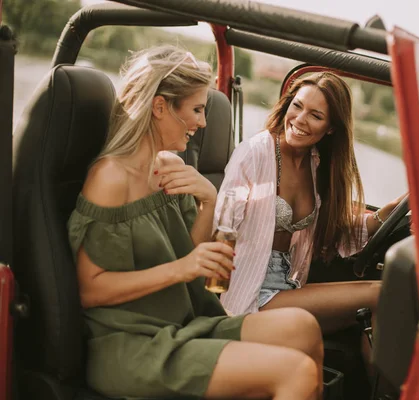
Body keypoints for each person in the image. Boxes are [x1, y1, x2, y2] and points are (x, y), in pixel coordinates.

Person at [67, 45, 324, 400]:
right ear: (160, 107)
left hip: (182, 324)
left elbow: (191, 256)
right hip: (130, 344)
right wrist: (182, 268)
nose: (203, 122)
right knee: (296, 372)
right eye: (197, 109)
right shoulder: (110, 176)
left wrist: (208, 201)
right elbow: (89, 290)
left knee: (304, 327)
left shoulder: (168, 167)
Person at [216, 71, 405, 335]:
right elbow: (223, 227)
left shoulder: (315, 163)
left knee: (370, 313)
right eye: (297, 106)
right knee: (378, 293)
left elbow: (329, 232)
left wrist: (380, 218)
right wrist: (212, 303)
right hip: (249, 291)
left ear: (330, 128)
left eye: (315, 116)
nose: (299, 120)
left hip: (289, 284)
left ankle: (384, 379)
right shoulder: (255, 152)